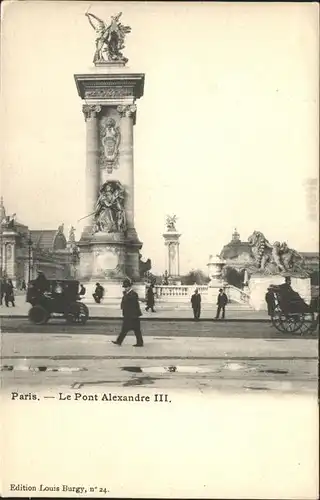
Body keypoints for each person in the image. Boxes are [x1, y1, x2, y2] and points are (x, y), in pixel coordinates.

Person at [112, 279, 143, 347]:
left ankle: (139, 343)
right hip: (129, 315)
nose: (125, 288)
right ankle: (119, 341)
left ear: (129, 287)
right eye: (124, 287)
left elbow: (131, 303)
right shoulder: (128, 294)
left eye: (126, 287)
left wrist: (125, 295)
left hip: (133, 316)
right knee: (125, 329)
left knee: (135, 330)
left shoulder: (133, 294)